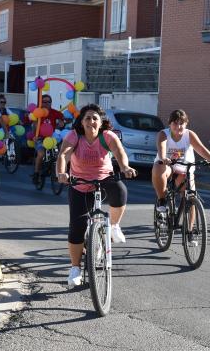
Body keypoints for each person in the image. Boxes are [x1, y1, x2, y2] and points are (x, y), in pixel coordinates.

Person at [56, 104, 137, 288]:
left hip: (104, 179)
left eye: (95, 118)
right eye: (87, 118)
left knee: (120, 191)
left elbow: (119, 153)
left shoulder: (107, 136)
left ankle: (114, 226)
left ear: (101, 123)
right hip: (80, 184)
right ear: (81, 122)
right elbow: (63, 156)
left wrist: (125, 167)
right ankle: (75, 268)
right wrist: (61, 173)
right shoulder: (74, 136)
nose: (91, 121)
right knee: (77, 226)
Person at [152, 109, 210, 213]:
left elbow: (200, 148)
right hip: (168, 166)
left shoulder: (189, 134)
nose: (179, 126)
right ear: (169, 124)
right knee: (158, 167)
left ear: (186, 124)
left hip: (185, 168)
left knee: (190, 196)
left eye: (181, 123)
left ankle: (190, 228)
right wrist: (163, 158)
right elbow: (161, 149)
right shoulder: (163, 134)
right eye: (175, 123)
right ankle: (162, 199)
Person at [32, 94, 65, 184]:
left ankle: (56, 172)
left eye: (49, 102)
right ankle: (36, 174)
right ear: (41, 103)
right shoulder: (38, 113)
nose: (47, 104)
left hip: (52, 138)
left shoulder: (55, 112)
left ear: (51, 103)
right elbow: (34, 125)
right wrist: (34, 136)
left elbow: (62, 119)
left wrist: (62, 122)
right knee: (41, 154)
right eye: (44, 102)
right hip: (40, 138)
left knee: (58, 154)